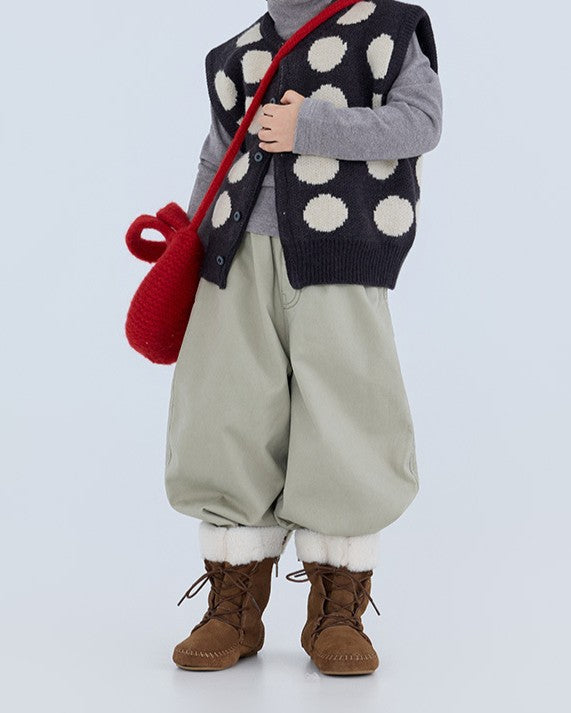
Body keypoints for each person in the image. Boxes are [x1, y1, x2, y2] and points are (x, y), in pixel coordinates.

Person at [164, 0, 443, 675]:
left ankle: (337, 607)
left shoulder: (386, 30)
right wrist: (191, 245)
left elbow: (421, 122)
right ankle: (234, 600)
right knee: (226, 411)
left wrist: (309, 126)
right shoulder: (237, 53)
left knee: (347, 411)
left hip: (341, 251)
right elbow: (215, 156)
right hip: (235, 257)